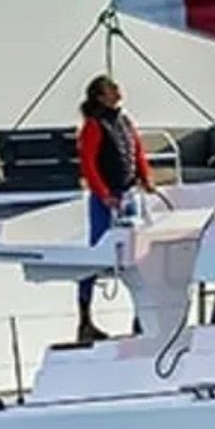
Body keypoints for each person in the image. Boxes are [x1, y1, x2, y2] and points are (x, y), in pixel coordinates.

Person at [76, 74, 154, 342]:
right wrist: (103, 194)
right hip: (106, 198)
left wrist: (146, 178)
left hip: (129, 194)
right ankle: (85, 319)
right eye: (111, 89)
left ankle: (141, 318)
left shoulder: (124, 121)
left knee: (139, 257)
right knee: (95, 256)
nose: (118, 90)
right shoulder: (94, 126)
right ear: (100, 96)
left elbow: (137, 151)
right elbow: (88, 162)